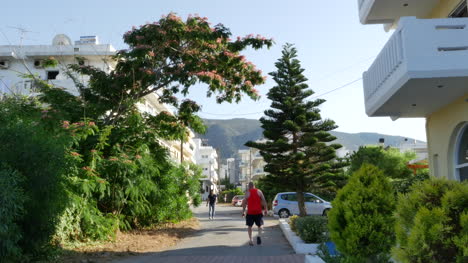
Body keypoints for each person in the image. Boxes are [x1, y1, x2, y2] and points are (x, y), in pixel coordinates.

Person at [242, 182, 268, 246]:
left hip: (250, 212)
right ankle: (259, 235)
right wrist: (265, 209)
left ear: (249, 186)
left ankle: (251, 240)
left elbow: (244, 202)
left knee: (249, 226)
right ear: (254, 186)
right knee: (260, 225)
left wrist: (243, 211)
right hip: (258, 212)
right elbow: (264, 200)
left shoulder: (247, 192)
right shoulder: (259, 191)